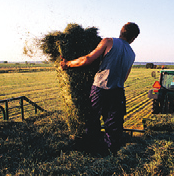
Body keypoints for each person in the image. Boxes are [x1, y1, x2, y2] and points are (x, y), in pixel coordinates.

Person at [60, 22, 140, 154]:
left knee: (91, 121)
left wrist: (67, 64)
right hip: (118, 93)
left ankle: (89, 151)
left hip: (100, 90)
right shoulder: (132, 54)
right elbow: (125, 77)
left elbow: (87, 59)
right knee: (114, 128)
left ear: (121, 31)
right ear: (133, 38)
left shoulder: (108, 42)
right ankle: (109, 155)